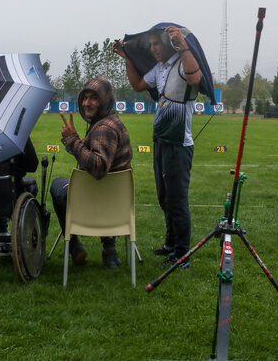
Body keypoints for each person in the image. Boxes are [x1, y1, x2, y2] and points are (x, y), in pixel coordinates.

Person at [114, 25, 204, 267]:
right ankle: (170, 243)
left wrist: (182, 44)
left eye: (157, 44)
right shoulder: (160, 68)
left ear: (167, 44)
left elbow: (195, 78)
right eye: (151, 44)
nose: (153, 49)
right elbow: (138, 85)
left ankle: (181, 254)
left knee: (177, 199)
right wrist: (127, 58)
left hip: (178, 144)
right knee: (164, 196)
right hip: (161, 139)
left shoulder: (183, 63)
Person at [50, 76, 133, 269]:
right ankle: (109, 250)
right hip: (115, 207)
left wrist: (72, 139)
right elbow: (91, 158)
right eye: (84, 98)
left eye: (93, 98)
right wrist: (75, 142)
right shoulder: (109, 121)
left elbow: (97, 167)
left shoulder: (104, 128)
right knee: (99, 190)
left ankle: (75, 246)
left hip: (94, 204)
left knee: (58, 185)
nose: (87, 103)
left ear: (105, 99)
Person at [0, 138, 38, 257]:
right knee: (32, 186)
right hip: (8, 192)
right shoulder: (15, 131)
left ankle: (1, 230)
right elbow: (32, 164)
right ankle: (18, 230)